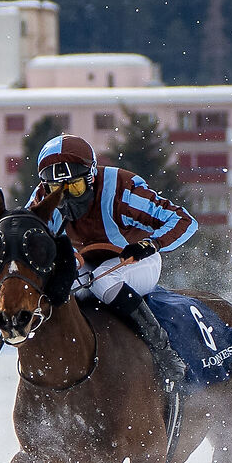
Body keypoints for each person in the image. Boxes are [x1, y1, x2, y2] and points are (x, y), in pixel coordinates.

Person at [25, 133, 199, 393]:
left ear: (91, 177)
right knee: (59, 286)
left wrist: (152, 244)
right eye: (55, 190)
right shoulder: (42, 198)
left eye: (74, 187)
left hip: (135, 261)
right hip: (85, 262)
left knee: (104, 280)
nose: (64, 198)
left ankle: (164, 352)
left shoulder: (122, 191)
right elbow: (27, 237)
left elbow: (184, 221)